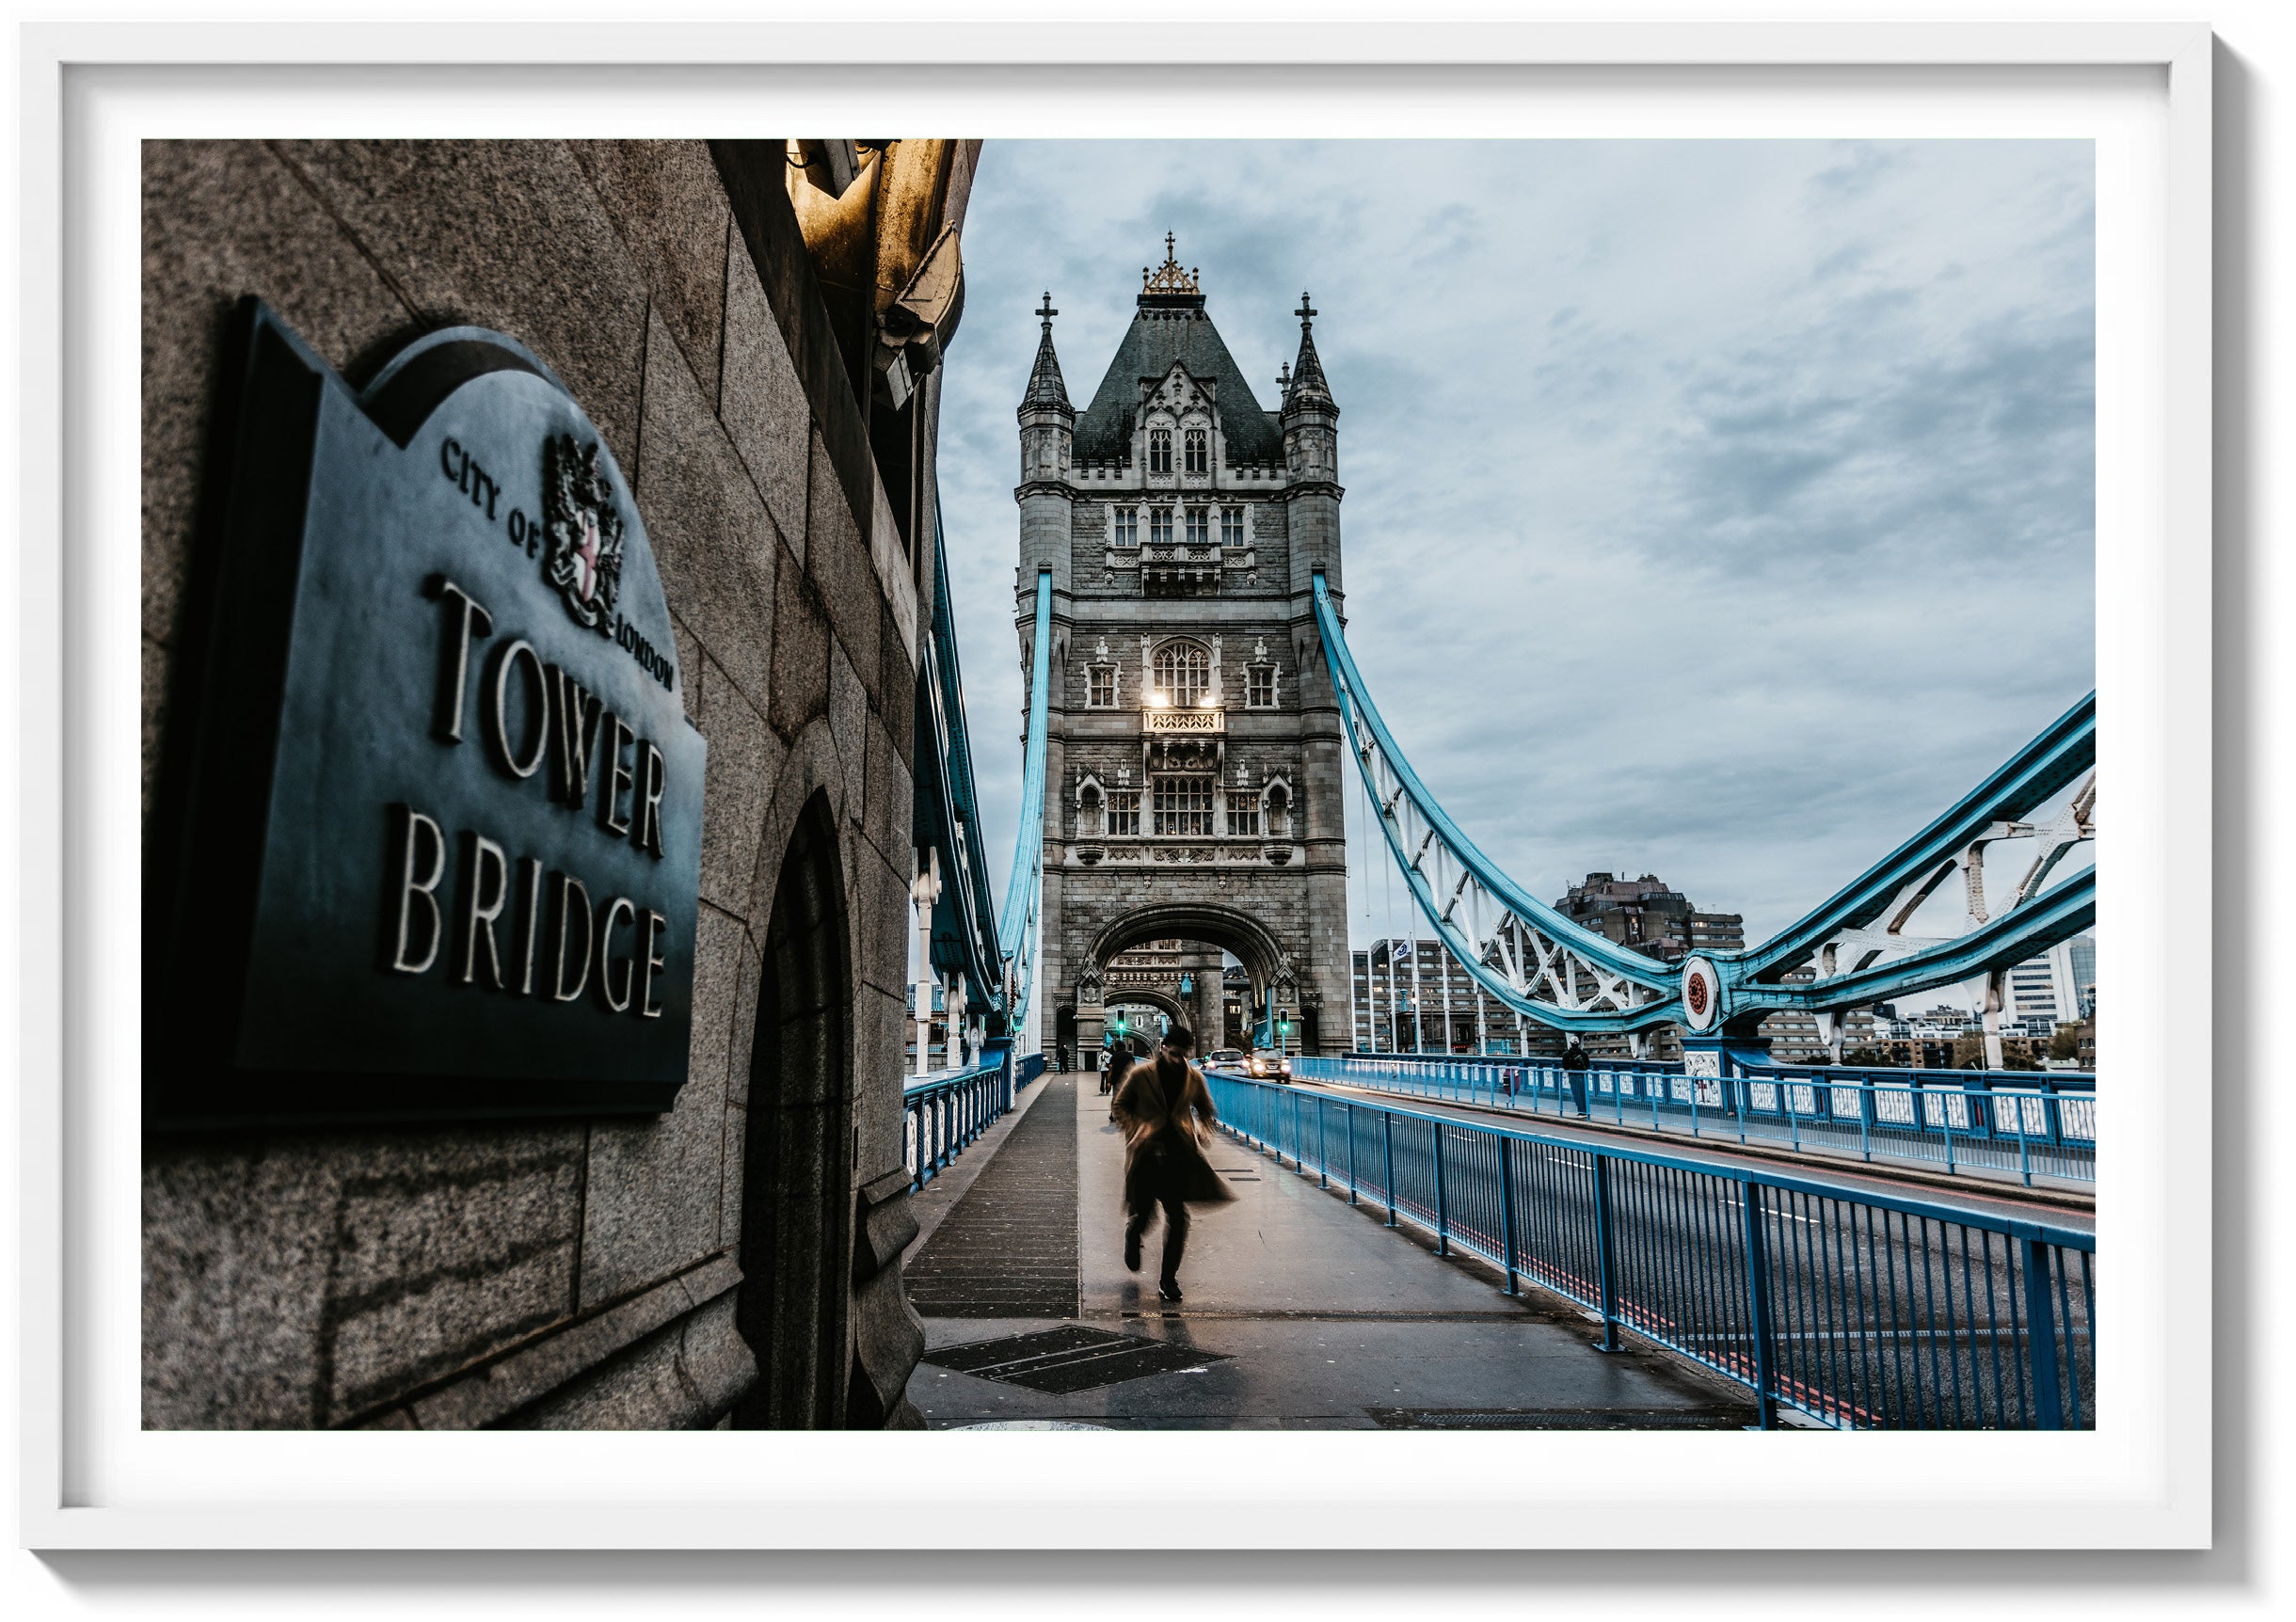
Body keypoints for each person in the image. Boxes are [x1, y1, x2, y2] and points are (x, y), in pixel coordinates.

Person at [1110, 1024, 1234, 1302]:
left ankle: (1168, 1280)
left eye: (1182, 1055)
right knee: (1145, 1215)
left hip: (1179, 1154)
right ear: (1163, 1048)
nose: (1178, 1059)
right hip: (1147, 1155)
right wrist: (1136, 1128)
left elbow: (1206, 1109)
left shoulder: (1194, 1077)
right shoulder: (1141, 1074)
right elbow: (1120, 1106)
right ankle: (1133, 1234)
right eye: (1173, 1053)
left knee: (1178, 1218)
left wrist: (1204, 1128)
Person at [1561, 1038, 1592, 1118]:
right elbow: (1588, 1065)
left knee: (1577, 1094)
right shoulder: (1584, 1054)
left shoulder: (1566, 1054)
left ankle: (1581, 1111)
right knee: (1583, 1093)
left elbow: (1565, 1066)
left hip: (1572, 1075)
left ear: (1570, 1043)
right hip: (1582, 1075)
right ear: (1578, 1044)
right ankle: (1585, 1111)